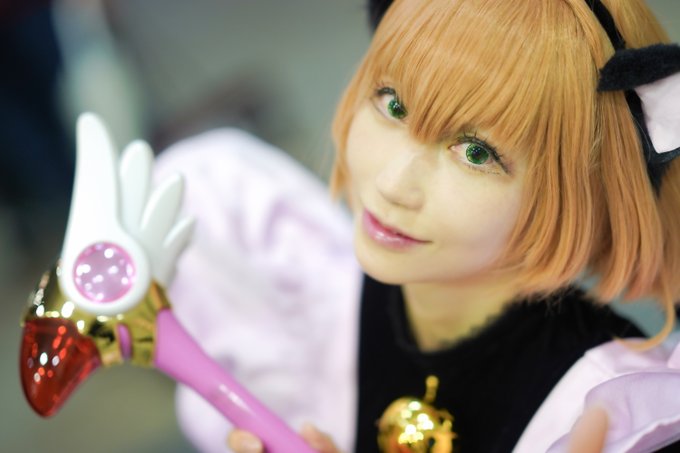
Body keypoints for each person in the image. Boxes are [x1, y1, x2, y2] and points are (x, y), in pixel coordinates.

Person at [154, 0, 680, 451]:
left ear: (581, 191)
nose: (392, 184)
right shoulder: (302, 283)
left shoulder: (605, 414)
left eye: (475, 153)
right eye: (393, 104)